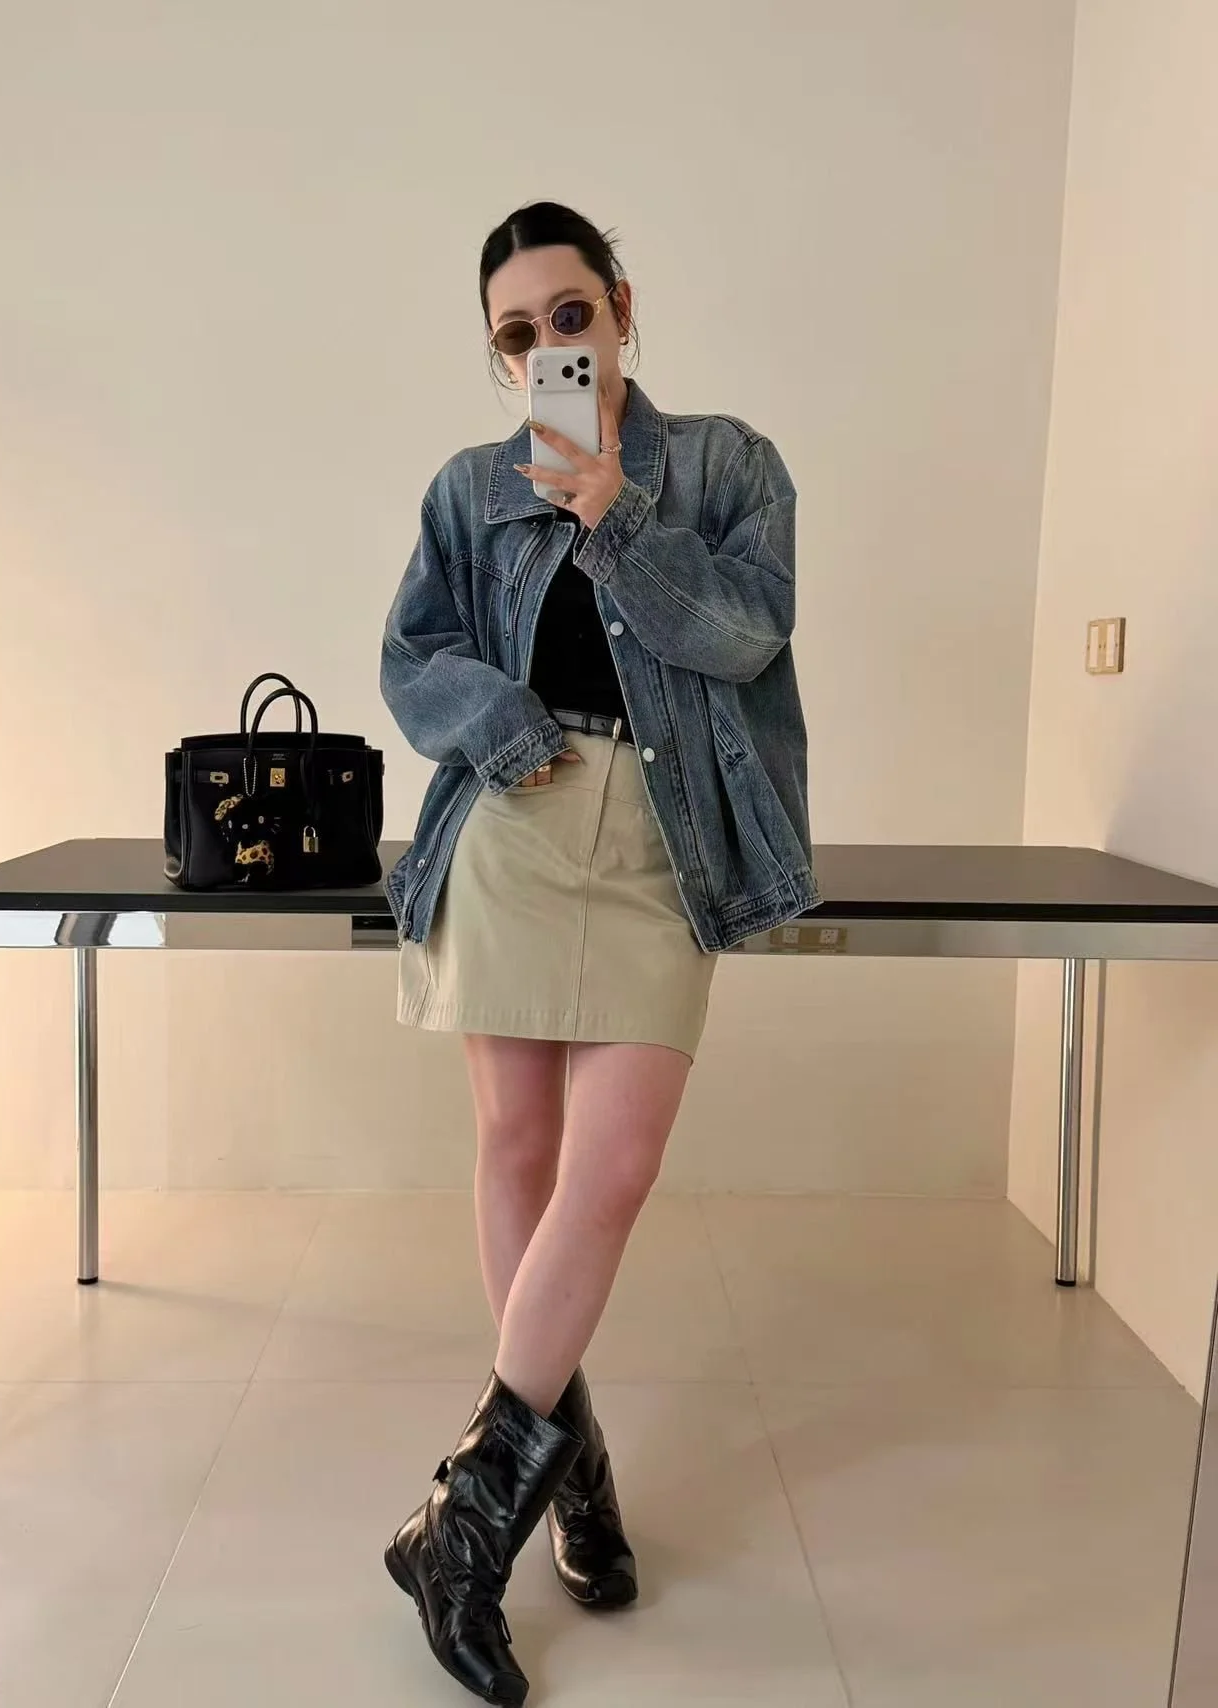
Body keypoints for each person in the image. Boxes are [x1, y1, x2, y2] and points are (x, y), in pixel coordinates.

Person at [378, 200, 816, 1706]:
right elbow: (413, 658)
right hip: (515, 816)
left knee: (611, 1171)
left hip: (665, 837)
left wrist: (617, 517)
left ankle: (461, 1520)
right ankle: (564, 1484)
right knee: (517, 1148)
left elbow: (745, 636)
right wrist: (499, 724)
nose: (550, 346)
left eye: (571, 314)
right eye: (519, 333)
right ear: (499, 356)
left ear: (621, 305)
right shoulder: (466, 488)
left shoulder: (730, 466)